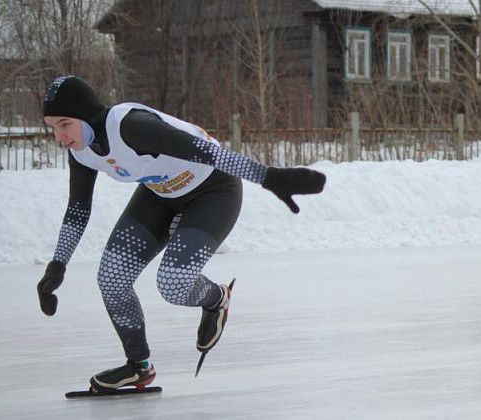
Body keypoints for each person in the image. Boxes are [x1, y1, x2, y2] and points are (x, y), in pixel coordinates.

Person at [36, 76, 326, 392]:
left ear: (85, 115)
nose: (59, 136)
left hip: (214, 190)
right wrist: (57, 266)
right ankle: (139, 367)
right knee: (111, 277)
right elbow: (78, 209)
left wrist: (268, 177)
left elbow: (207, 152)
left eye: (64, 124)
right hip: (160, 194)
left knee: (174, 284)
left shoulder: (131, 126)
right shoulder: (81, 150)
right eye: (52, 127)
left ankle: (217, 299)